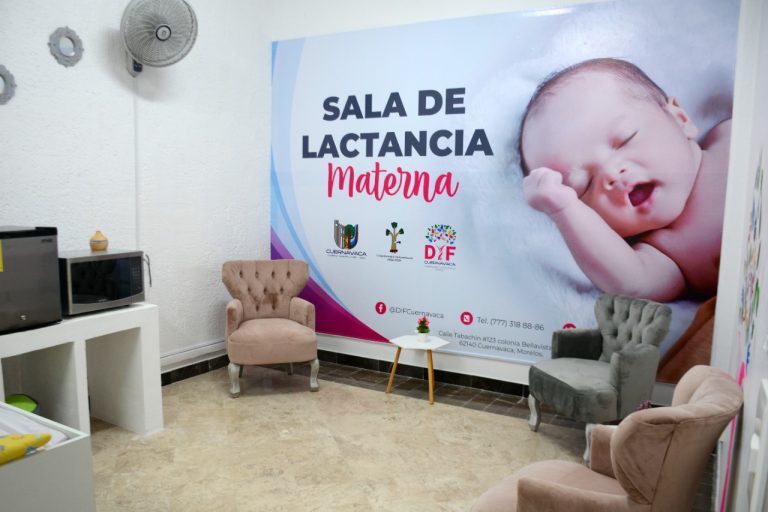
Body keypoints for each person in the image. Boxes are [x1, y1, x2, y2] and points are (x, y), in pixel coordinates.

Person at [518, 58, 731, 302]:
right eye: (584, 185)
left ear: (680, 118)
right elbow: (632, 285)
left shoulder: (730, 136)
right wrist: (563, 208)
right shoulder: (664, 254)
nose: (611, 174)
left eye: (625, 140)